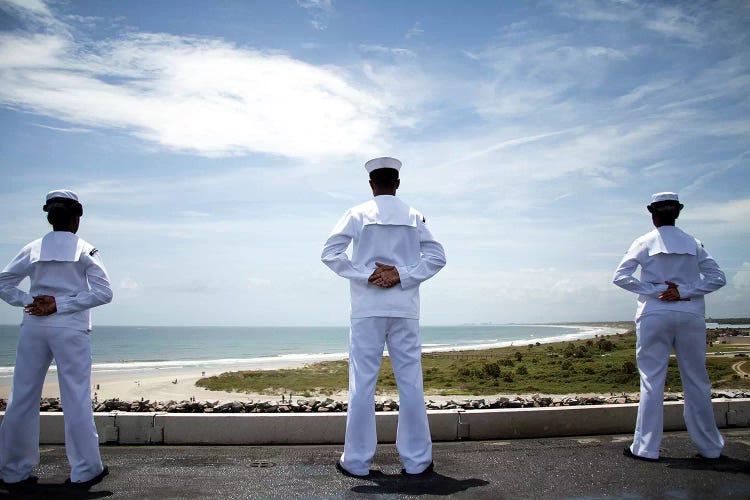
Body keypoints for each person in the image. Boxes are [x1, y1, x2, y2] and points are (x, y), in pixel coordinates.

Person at [321, 157, 446, 477]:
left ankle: (357, 462)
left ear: (371, 184)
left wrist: (367, 276)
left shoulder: (357, 213)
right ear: (398, 184)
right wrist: (401, 275)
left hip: (367, 310)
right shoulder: (414, 215)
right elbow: (437, 257)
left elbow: (330, 253)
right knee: (411, 384)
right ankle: (418, 462)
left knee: (362, 385)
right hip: (404, 310)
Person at [0, 190, 113, 487]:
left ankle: (12, 470)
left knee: (22, 397)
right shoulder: (86, 249)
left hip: (34, 325)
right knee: (75, 397)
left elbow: (4, 283)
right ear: (77, 218)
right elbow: (104, 293)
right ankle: (85, 470)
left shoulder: (32, 248)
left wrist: (31, 300)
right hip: (70, 328)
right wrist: (60, 304)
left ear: (50, 218)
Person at [613, 192, 726, 462]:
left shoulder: (644, 241)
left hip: (654, 314)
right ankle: (710, 448)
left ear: (653, 216)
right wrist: (683, 291)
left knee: (652, 381)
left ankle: (646, 448)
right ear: (677, 213)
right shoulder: (693, 243)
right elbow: (717, 278)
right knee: (697, 380)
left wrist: (657, 290)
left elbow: (620, 277)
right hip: (690, 314)